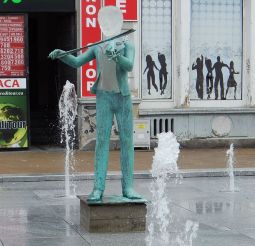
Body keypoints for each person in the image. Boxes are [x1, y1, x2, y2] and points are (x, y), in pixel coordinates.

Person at [49, 6, 141, 202]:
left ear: (118, 23)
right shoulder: (97, 46)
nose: (107, 25)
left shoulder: (127, 43)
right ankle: (98, 187)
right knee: (101, 143)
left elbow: (130, 66)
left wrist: (116, 55)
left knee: (126, 143)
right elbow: (76, 62)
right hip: (104, 97)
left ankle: (129, 188)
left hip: (123, 97)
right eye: (104, 22)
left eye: (111, 21)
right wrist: (62, 54)